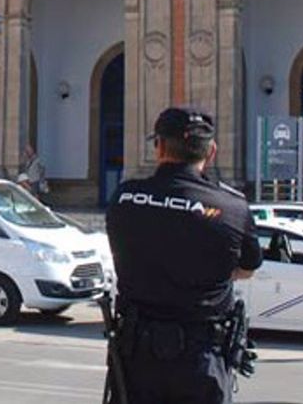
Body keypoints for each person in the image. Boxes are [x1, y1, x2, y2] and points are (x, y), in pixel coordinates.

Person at [105, 107, 263, 403]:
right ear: (211, 152)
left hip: (137, 358)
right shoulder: (233, 208)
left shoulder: (124, 197)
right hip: (202, 357)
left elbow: (125, 251)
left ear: (160, 147)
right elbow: (248, 267)